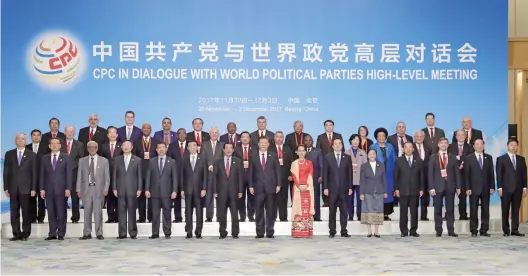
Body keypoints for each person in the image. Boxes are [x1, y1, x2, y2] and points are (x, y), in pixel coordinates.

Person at [4, 133, 37, 241]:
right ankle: (16, 233)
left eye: (22, 139)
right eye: (18, 139)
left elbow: (34, 172)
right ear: (15, 140)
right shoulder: (9, 154)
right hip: (13, 188)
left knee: (26, 212)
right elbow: (6, 172)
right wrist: (6, 187)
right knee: (14, 212)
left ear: (25, 140)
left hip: (26, 188)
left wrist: (33, 188)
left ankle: (25, 234)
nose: (20, 140)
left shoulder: (31, 155)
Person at [40, 137, 72, 241]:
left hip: (62, 189)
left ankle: (61, 233)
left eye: (56, 143)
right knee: (51, 212)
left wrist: (68, 188)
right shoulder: (44, 158)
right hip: (48, 190)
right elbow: (41, 175)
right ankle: (52, 233)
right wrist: (41, 189)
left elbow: (69, 174)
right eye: (52, 143)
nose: (54, 145)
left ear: (60, 145)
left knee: (61, 212)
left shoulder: (66, 157)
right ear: (49, 146)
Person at [249, 136, 281, 239]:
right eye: (261, 142)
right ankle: (259, 233)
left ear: (268, 144)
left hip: (271, 187)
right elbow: (250, 172)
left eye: (265, 142)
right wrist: (250, 185)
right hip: (258, 188)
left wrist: (279, 184)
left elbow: (278, 171)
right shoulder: (252, 156)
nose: (263, 144)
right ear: (258, 144)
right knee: (258, 211)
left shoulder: (274, 156)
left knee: (270, 211)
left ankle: (270, 232)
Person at [428, 137, 461, 237]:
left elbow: (457, 173)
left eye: (445, 143)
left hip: (450, 187)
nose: (443, 145)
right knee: (437, 209)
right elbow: (430, 173)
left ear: (448, 145)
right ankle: (438, 230)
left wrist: (458, 187)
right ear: (438, 145)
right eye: (441, 143)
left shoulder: (452, 157)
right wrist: (431, 187)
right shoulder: (433, 157)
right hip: (437, 187)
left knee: (450, 209)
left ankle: (451, 230)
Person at [77, 141, 110, 240]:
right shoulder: (82, 161)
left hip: (99, 190)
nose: (92, 149)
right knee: (86, 212)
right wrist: (78, 189)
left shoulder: (104, 161)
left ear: (97, 148)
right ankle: (87, 233)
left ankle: (99, 233)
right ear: (87, 149)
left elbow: (107, 177)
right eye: (90, 147)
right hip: (86, 190)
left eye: (94, 147)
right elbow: (79, 176)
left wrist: (106, 189)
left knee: (98, 212)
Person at [145, 143, 178, 239]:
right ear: (156, 150)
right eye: (159, 148)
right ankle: (155, 233)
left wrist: (175, 191)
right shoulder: (151, 161)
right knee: (155, 214)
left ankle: (167, 232)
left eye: (163, 147)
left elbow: (175, 178)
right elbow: (148, 177)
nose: (161, 149)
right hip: (154, 192)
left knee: (167, 213)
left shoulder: (172, 162)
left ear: (166, 149)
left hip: (167, 192)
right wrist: (147, 189)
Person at [496, 138, 527, 237]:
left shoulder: (521, 159)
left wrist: (525, 187)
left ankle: (515, 229)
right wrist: (499, 187)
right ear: (507, 146)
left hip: (518, 189)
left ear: (517, 147)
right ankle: (506, 230)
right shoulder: (501, 159)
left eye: (515, 145)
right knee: (505, 209)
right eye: (511, 145)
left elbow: (524, 175)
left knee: (516, 210)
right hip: (505, 189)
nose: (513, 147)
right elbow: (499, 174)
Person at [323, 138, 352, 238]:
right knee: (332, 211)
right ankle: (332, 230)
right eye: (336, 143)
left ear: (342, 145)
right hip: (332, 190)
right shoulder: (327, 157)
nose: (338, 145)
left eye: (340, 143)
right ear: (332, 146)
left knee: (344, 211)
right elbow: (325, 174)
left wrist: (350, 187)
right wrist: (325, 187)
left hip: (344, 189)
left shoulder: (347, 157)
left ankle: (344, 230)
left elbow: (350, 174)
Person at [213, 143, 243, 239]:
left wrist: (240, 190)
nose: (229, 150)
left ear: (233, 150)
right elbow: (214, 178)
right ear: (223, 149)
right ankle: (222, 232)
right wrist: (214, 190)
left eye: (231, 148)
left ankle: (235, 233)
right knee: (222, 214)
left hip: (234, 192)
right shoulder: (217, 162)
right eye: (227, 148)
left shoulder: (238, 161)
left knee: (234, 214)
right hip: (221, 192)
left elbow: (240, 178)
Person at [465, 139, 495, 237]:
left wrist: (492, 186)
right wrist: (468, 188)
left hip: (486, 188)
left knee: (485, 210)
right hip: (473, 188)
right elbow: (467, 174)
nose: (479, 146)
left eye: (481, 144)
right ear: (473, 146)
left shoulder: (488, 158)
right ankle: (474, 230)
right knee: (473, 210)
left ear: (483, 145)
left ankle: (484, 230)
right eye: (477, 144)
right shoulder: (469, 158)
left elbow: (491, 173)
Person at [113, 141, 142, 239]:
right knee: (121, 212)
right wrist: (114, 188)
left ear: (132, 147)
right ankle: (122, 233)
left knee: (132, 211)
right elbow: (114, 176)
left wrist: (139, 188)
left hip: (132, 189)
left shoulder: (137, 160)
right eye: (124, 145)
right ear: (121, 147)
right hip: (120, 189)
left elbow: (139, 176)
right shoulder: (117, 160)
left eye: (128, 145)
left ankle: (133, 233)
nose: (126, 147)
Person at [394, 142, 424, 237]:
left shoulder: (418, 160)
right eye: (406, 147)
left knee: (414, 212)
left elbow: (421, 177)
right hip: (402, 190)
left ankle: (413, 230)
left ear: (413, 149)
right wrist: (396, 189)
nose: (408, 149)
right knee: (403, 212)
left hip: (415, 190)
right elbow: (396, 176)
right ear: (403, 149)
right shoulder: (399, 160)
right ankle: (404, 231)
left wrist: (421, 188)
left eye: (410, 147)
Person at [182, 141, 208, 239]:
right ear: (187, 148)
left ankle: (198, 231)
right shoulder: (184, 159)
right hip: (187, 189)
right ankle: (188, 231)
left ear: (197, 147)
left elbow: (205, 175)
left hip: (199, 190)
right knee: (188, 211)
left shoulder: (203, 159)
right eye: (190, 146)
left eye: (194, 145)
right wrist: (182, 189)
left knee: (199, 211)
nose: (192, 147)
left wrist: (204, 188)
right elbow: (182, 175)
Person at [370, 128, 397, 221]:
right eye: (379, 136)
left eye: (383, 135)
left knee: (388, 193)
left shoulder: (390, 146)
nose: (381, 137)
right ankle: (378, 213)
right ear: (376, 137)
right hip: (377, 174)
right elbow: (370, 160)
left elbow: (394, 159)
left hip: (389, 174)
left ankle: (386, 214)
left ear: (385, 137)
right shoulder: (372, 147)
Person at [360, 149, 387, 238]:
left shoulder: (381, 165)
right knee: (368, 210)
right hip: (368, 191)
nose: (372, 155)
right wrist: (361, 193)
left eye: (373, 154)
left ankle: (376, 231)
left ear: (376, 155)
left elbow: (384, 179)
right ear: (367, 155)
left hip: (379, 191)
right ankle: (369, 231)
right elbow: (362, 180)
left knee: (378, 210)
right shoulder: (364, 166)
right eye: (370, 154)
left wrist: (385, 191)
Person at [134, 123, 159, 223]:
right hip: (140, 172)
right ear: (141, 130)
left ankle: (151, 217)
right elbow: (134, 158)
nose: (146, 129)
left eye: (148, 128)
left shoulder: (156, 142)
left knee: (152, 195)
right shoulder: (136, 142)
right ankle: (142, 217)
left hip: (153, 172)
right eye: (144, 128)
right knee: (141, 196)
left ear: (151, 130)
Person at [316, 119, 343, 207]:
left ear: (333, 126)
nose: (329, 127)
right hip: (325, 163)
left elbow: (342, 149)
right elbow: (318, 151)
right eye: (327, 125)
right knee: (326, 181)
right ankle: (326, 201)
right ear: (324, 127)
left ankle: (337, 201)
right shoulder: (320, 137)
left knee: (337, 181)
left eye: (330, 125)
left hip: (337, 162)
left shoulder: (338, 135)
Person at [448, 129, 474, 220]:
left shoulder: (470, 147)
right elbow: (448, 157)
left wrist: (458, 157)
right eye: (459, 135)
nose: (461, 136)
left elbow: (471, 158)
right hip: (451, 175)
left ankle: (463, 215)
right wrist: (462, 159)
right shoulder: (450, 146)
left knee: (462, 196)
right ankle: (449, 215)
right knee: (449, 196)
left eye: (463, 134)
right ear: (456, 137)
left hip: (464, 175)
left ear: (466, 136)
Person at [290, 144, 315, 238]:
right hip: (297, 189)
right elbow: (294, 176)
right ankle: (298, 231)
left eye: (303, 150)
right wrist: (299, 186)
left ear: (305, 152)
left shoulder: (309, 163)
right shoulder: (294, 163)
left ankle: (306, 231)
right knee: (298, 208)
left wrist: (306, 185)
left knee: (306, 209)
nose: (301, 152)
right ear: (296, 152)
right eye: (299, 150)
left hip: (307, 189)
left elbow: (310, 175)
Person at [201, 126, 224, 222]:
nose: (214, 134)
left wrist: (218, 168)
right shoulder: (204, 144)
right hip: (208, 174)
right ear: (209, 134)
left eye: (216, 132)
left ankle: (220, 216)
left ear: (218, 134)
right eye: (212, 132)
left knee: (220, 196)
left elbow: (224, 159)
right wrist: (209, 166)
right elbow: (202, 159)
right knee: (209, 195)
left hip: (220, 175)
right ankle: (209, 216)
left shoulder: (223, 144)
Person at [269, 131, 294, 221]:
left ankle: (283, 217)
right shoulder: (270, 148)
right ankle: (273, 217)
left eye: (281, 137)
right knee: (273, 197)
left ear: (283, 138)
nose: (279, 138)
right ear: (274, 138)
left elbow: (291, 162)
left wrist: (291, 175)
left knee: (284, 197)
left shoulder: (287, 148)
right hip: (272, 177)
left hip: (285, 176)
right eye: (277, 137)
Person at [100, 126, 122, 223]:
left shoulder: (121, 145)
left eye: (114, 133)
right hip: (107, 175)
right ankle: (110, 217)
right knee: (109, 197)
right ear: (107, 135)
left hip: (119, 175)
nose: (112, 134)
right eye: (110, 133)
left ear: (117, 135)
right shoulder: (103, 146)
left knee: (118, 197)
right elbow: (100, 160)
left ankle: (117, 217)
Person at [63, 125, 84, 223]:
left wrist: (70, 166)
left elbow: (81, 159)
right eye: (68, 131)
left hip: (75, 174)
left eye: (71, 131)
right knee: (62, 198)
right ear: (65, 132)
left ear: (74, 133)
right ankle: (62, 217)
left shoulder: (79, 144)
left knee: (75, 198)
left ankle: (75, 217)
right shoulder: (59, 144)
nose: (70, 133)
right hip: (62, 175)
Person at [167, 128, 188, 222]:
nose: (182, 135)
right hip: (176, 176)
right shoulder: (171, 146)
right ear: (177, 135)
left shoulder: (191, 145)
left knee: (189, 198)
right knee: (177, 199)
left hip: (189, 177)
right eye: (180, 133)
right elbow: (169, 161)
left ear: (186, 135)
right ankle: (178, 217)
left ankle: (189, 217)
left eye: (184, 133)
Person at [26, 129, 46, 223]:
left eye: (38, 135)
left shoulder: (46, 148)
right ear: (31, 136)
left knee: (42, 199)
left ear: (40, 136)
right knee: (32, 198)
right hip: (30, 178)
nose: (36, 136)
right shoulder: (26, 148)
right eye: (34, 135)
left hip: (42, 176)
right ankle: (33, 217)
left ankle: (41, 218)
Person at [234, 131, 254, 221]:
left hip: (251, 175)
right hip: (239, 176)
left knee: (252, 197)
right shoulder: (235, 149)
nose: (245, 138)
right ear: (240, 139)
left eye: (247, 137)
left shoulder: (255, 148)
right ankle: (242, 216)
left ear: (250, 139)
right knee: (240, 197)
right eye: (243, 137)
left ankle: (251, 216)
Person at [347, 134, 367, 221]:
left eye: (357, 140)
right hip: (349, 180)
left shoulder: (363, 152)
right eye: (353, 140)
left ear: (359, 142)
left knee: (360, 199)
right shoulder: (346, 152)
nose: (355, 142)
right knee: (349, 199)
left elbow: (366, 166)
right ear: (351, 141)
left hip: (360, 179)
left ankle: (360, 216)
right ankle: (350, 215)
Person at [303, 134, 324, 221]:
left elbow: (321, 165)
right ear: (304, 142)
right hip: (303, 178)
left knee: (316, 197)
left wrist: (321, 176)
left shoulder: (318, 151)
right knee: (305, 197)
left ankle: (317, 216)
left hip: (315, 178)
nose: (308, 142)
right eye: (306, 140)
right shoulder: (301, 151)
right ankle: (306, 215)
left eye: (310, 140)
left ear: (313, 142)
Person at [413, 130, 432, 221]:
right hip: (414, 177)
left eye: (421, 137)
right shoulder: (410, 147)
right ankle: (414, 216)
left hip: (425, 177)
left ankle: (424, 215)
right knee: (414, 197)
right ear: (414, 137)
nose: (419, 138)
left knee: (425, 197)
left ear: (424, 138)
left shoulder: (428, 148)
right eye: (417, 137)